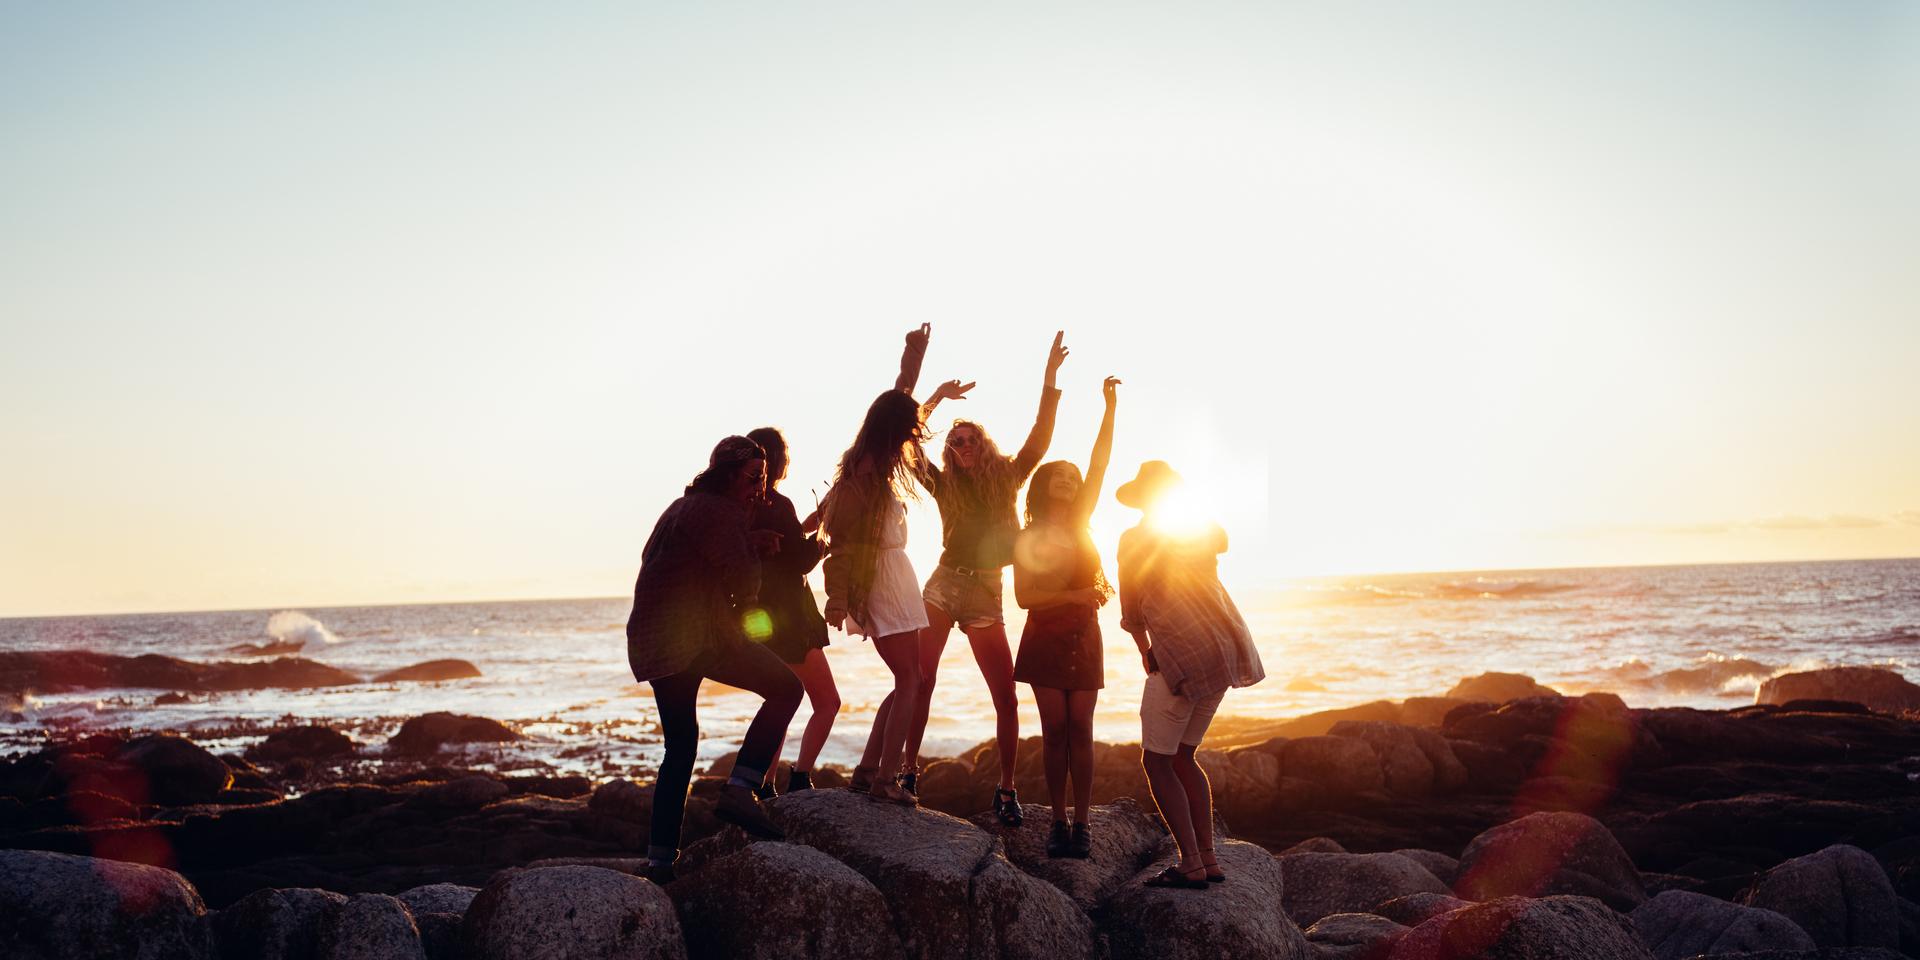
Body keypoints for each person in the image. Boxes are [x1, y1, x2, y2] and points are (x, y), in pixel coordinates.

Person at [898, 331, 1069, 826]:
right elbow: (908, 440)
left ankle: (1007, 789)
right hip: (944, 584)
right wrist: (932, 399)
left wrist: (1050, 378)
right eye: (954, 442)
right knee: (921, 679)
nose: (962, 446)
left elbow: (1041, 432)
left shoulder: (1010, 476)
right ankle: (908, 772)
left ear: (983, 444)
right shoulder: (941, 484)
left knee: (1005, 696)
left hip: (986, 593)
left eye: (969, 439)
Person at [626, 435, 803, 883]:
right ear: (728, 474)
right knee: (787, 689)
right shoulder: (719, 511)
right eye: (753, 478)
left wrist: (747, 538)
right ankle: (741, 788)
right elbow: (743, 584)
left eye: (762, 479)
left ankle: (661, 860)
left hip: (654, 639)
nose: (759, 488)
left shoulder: (683, 507)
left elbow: (678, 558)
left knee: (680, 747)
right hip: (696, 636)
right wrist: (753, 553)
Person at [1115, 461, 1265, 889]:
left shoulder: (1135, 538)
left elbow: (1131, 608)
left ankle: (1191, 863)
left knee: (1157, 762)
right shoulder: (1199, 531)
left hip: (1181, 654)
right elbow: (1221, 536)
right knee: (1184, 757)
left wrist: (1146, 650)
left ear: (1143, 498)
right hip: (1223, 652)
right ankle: (1210, 859)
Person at [821, 324, 952, 805]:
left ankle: (868, 770)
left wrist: (915, 352)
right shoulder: (867, 467)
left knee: (909, 679)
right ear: (894, 429)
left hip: (895, 577)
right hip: (878, 578)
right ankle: (882, 781)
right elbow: (841, 540)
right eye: (910, 427)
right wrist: (838, 597)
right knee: (911, 680)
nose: (916, 433)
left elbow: (902, 396)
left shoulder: (877, 452)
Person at [1012, 375, 1120, 857]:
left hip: (1084, 635)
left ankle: (1083, 824)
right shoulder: (1028, 536)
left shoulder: (1081, 524)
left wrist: (1109, 409)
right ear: (1044, 487)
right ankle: (1057, 820)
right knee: (1055, 730)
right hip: (1045, 637)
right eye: (1062, 477)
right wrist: (1076, 593)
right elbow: (1024, 598)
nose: (1072, 483)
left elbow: (1100, 463)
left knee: (1083, 729)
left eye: (1074, 480)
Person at [745, 426, 838, 795]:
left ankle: (765, 784)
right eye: (784, 451)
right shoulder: (777, 503)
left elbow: (783, 547)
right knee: (828, 702)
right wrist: (824, 541)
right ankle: (799, 777)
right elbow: (799, 561)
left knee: (781, 700)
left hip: (765, 619)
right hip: (791, 619)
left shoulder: (748, 505)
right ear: (776, 459)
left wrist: (814, 521)